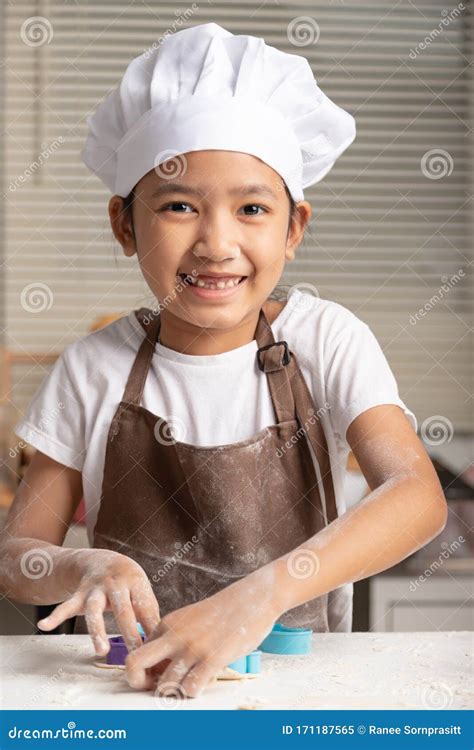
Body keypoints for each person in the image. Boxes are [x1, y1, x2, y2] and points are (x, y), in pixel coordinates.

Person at [1, 22, 447, 699]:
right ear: (125, 225)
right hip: (127, 692)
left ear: (293, 227)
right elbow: (15, 558)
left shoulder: (326, 339)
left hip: (299, 692)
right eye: (179, 205)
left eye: (251, 208)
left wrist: (259, 598)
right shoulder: (92, 368)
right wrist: (80, 565)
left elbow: (416, 497)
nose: (216, 242)